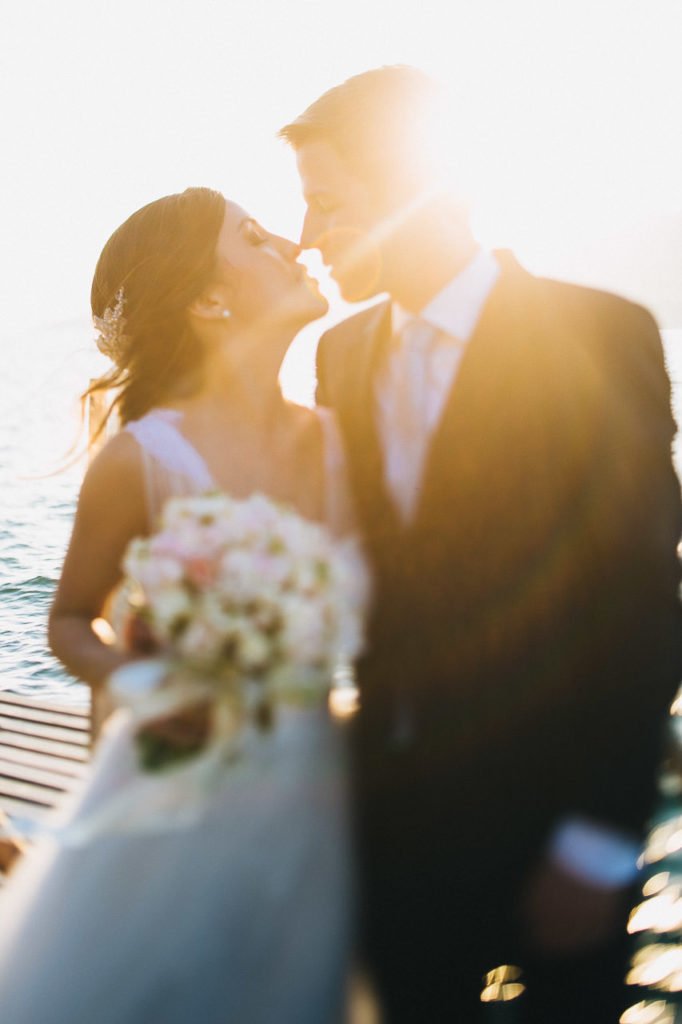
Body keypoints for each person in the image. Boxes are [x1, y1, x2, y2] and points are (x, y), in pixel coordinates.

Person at [280, 66, 682, 1022]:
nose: (306, 239)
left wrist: (596, 844)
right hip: (391, 833)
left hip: (558, 834)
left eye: (327, 207)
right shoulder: (341, 357)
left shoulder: (599, 335)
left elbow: (639, 607)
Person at [0, 187, 355, 1023]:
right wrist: (143, 685)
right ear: (209, 300)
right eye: (259, 239)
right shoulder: (144, 456)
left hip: (310, 781)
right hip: (175, 790)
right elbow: (68, 619)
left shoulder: (337, 439)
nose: (295, 247)